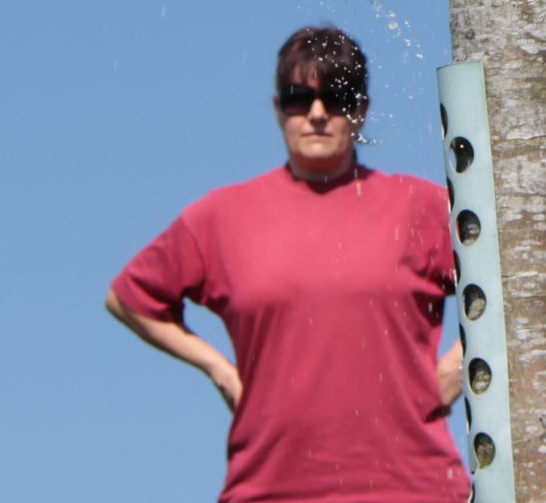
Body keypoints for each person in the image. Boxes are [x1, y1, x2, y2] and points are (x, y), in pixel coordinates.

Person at [107, 26, 468, 503]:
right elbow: (129, 299)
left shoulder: (420, 207)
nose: (317, 114)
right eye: (299, 99)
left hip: (411, 488)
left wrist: (461, 368)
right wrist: (218, 368)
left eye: (335, 99)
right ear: (278, 109)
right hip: (269, 489)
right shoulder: (222, 217)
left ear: (361, 110)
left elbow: (510, 288)